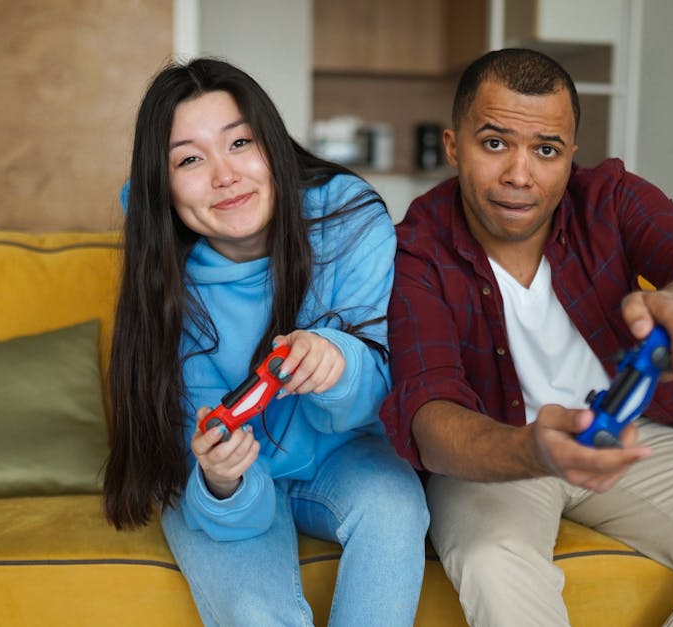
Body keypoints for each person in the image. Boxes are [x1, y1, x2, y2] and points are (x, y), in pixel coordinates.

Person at [380, 48, 673, 626]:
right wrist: (532, 448)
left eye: (545, 150)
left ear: (570, 157)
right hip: (499, 449)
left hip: (631, 434)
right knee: (493, 560)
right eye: (494, 143)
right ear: (453, 146)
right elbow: (429, 415)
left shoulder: (610, 198)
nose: (520, 174)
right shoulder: (414, 247)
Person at [103, 58, 429, 627]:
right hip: (226, 471)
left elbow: (373, 393)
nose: (224, 175)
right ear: (164, 186)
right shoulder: (164, 277)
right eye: (189, 159)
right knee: (257, 612)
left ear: (272, 146)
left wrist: (338, 363)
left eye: (240, 143)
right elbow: (205, 471)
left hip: (342, 453)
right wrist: (221, 480)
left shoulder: (349, 219)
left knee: (396, 506)